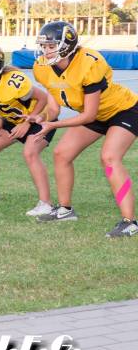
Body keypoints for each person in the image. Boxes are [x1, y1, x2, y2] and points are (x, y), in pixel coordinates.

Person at [32, 21, 138, 237]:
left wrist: (53, 125)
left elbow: (88, 115)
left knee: (109, 158)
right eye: (44, 46)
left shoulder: (89, 62)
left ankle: (130, 221)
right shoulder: (42, 68)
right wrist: (42, 117)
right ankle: (65, 210)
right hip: (96, 114)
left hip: (124, 109)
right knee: (62, 153)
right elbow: (53, 108)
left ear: (67, 45)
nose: (46, 51)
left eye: (51, 46)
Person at [0, 42, 58, 217]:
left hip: (39, 118)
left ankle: (46, 204)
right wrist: (0, 120)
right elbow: (1, 104)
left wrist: (27, 123)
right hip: (13, 120)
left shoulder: (12, 81)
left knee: (30, 153)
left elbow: (43, 98)